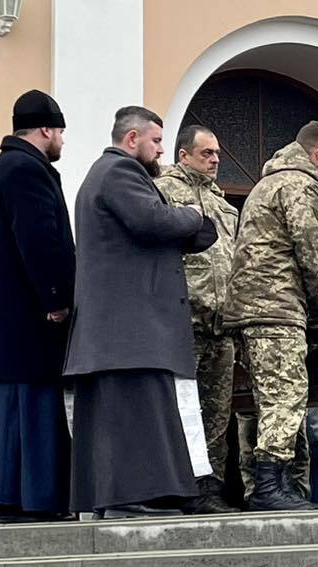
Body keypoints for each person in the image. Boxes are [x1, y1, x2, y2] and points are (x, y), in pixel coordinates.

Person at [65, 107, 218, 518]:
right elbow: (152, 219)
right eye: (156, 142)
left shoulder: (105, 175)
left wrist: (188, 225)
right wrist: (191, 214)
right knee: (131, 414)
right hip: (127, 328)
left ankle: (120, 497)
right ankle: (128, 498)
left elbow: (167, 230)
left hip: (119, 331)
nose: (161, 151)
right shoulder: (119, 173)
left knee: (124, 415)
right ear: (132, 139)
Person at [0, 92, 76, 524]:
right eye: (61, 132)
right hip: (26, 325)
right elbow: (40, 240)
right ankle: (28, 502)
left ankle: (7, 499)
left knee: (3, 418)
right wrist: (57, 298)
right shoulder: (28, 171)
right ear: (46, 129)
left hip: (3, 327)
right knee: (26, 415)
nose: (62, 141)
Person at [225, 121, 318, 511]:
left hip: (252, 307)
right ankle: (269, 488)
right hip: (276, 306)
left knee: (262, 400)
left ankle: (278, 486)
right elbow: (314, 249)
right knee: (286, 397)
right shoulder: (300, 184)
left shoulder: (267, 184)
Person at [156, 125, 240, 513]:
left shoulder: (222, 202)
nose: (215, 160)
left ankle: (210, 487)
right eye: (206, 153)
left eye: (217, 153)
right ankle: (174, 486)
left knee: (217, 413)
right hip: (184, 321)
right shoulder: (164, 191)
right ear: (184, 155)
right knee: (179, 409)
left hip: (222, 325)